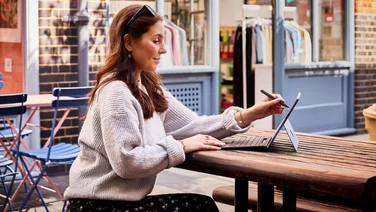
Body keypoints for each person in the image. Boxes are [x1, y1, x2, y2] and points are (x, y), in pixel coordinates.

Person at [64, 4, 285, 212]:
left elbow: (194, 125)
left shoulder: (148, 87)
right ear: (129, 43)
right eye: (156, 40)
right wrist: (181, 145)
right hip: (96, 204)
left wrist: (249, 114)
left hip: (123, 202)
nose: (164, 49)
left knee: (200, 205)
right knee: (199, 206)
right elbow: (127, 162)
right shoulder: (116, 92)